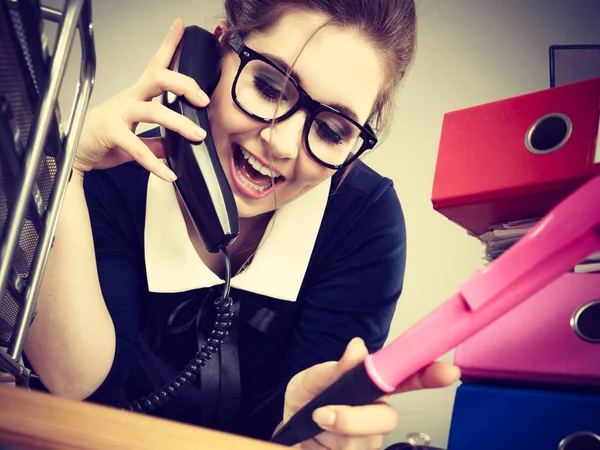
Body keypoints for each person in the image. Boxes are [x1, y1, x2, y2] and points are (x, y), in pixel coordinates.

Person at [25, 0, 460, 448]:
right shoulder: (108, 173)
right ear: (208, 59)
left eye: (333, 131)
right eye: (270, 88)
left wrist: (306, 431)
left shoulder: (364, 220)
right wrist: (67, 169)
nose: (283, 144)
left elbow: (308, 416)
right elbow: (76, 384)